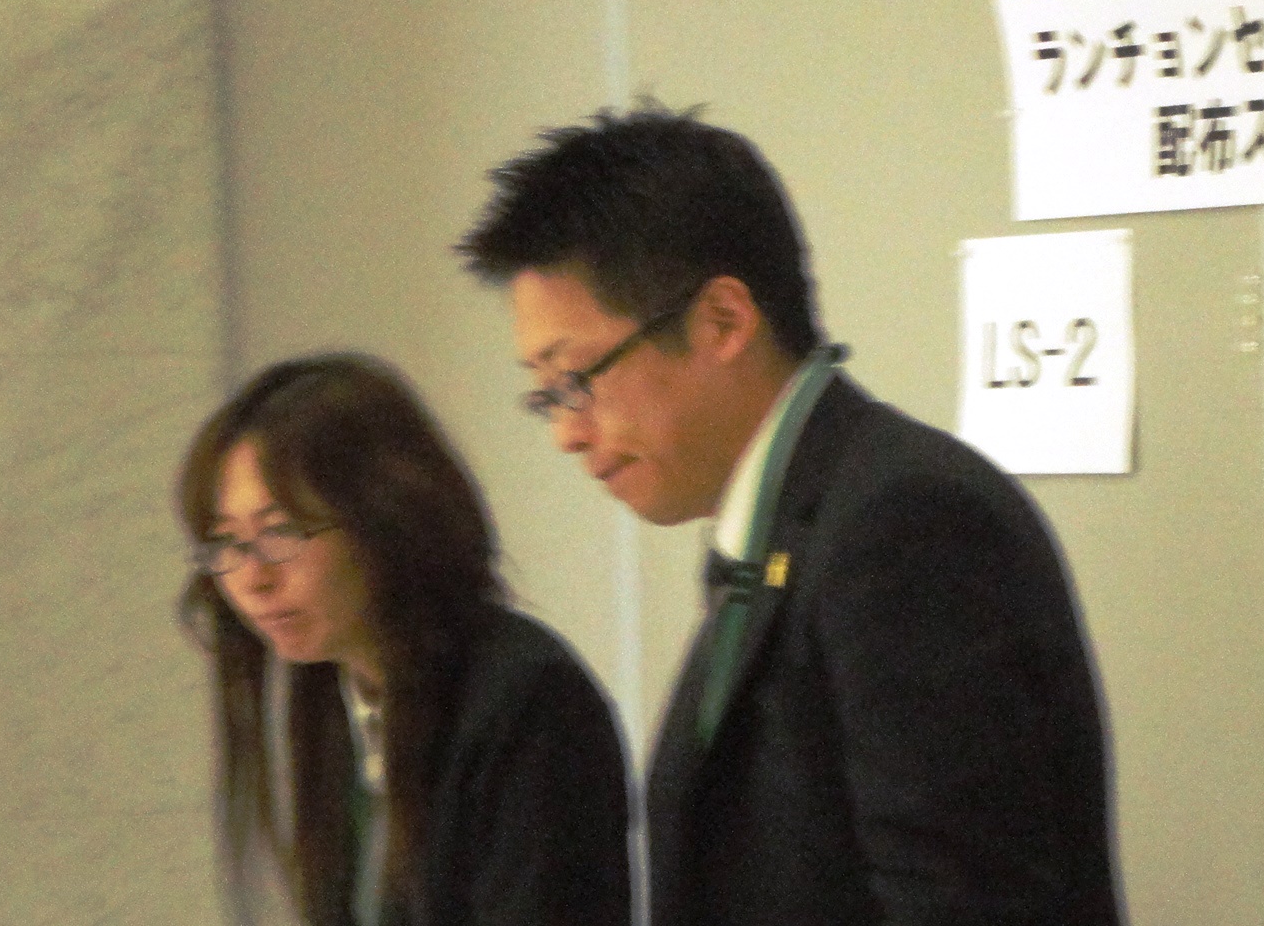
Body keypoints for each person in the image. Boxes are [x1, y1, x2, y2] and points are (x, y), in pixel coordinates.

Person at [458, 104, 1120, 926]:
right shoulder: (780, 525)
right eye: (545, 395)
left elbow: (965, 901)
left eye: (577, 379)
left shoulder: (906, 525)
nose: (566, 431)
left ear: (724, 321)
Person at [175, 353, 630, 926]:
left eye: (280, 532)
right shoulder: (343, 690)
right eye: (226, 544)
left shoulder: (526, 699)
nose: (253, 579)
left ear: (384, 518)